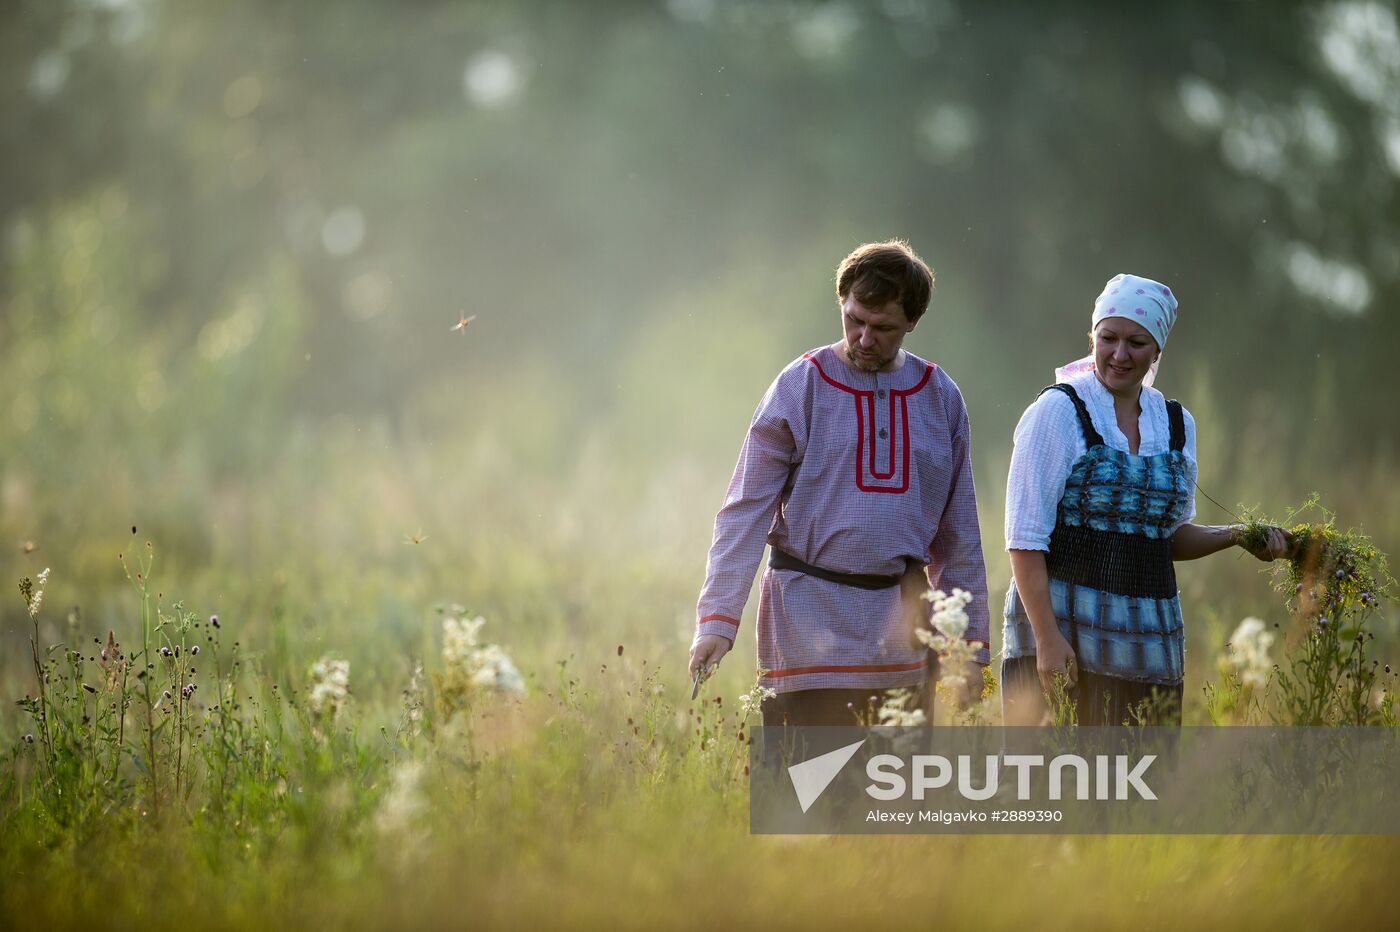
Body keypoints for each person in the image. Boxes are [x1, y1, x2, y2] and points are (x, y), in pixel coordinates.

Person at [688, 240, 991, 726]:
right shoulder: (800, 387)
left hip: (902, 629)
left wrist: (969, 649)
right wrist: (718, 620)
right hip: (807, 625)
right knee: (806, 789)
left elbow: (959, 537)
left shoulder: (940, 398)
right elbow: (745, 509)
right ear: (842, 305)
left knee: (895, 793)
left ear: (912, 322)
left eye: (883, 327)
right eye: (855, 320)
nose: (864, 338)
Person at [1000, 273, 1291, 726]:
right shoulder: (1057, 412)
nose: (1119, 354)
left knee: (1139, 782)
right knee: (1056, 778)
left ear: (1157, 350)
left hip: (1147, 641)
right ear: (1091, 338)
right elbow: (1025, 537)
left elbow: (1166, 538)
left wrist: (1236, 535)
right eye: (1108, 338)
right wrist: (1047, 639)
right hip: (1064, 628)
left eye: (1136, 342)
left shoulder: (1176, 424)